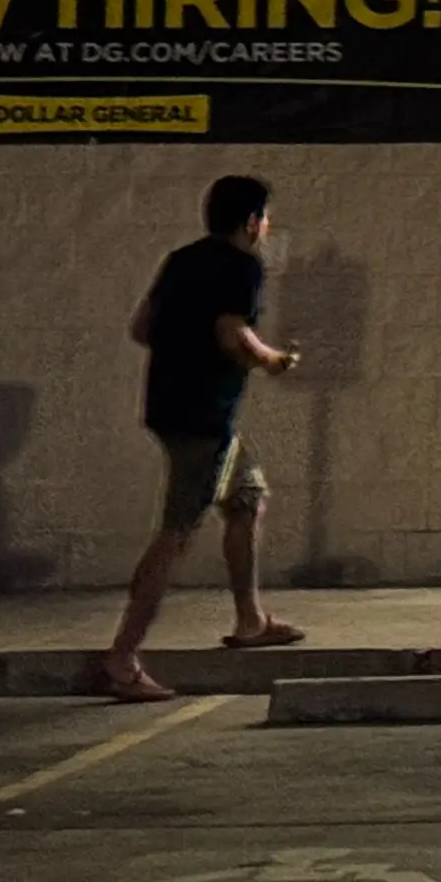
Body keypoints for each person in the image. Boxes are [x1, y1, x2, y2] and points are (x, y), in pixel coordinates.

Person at [102, 175, 305, 700]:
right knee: (177, 533)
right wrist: (273, 360)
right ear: (251, 221)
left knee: (247, 498)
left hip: (172, 406)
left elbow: (142, 327)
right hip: (204, 416)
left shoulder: (181, 259)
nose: (268, 226)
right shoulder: (242, 267)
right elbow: (231, 333)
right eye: (266, 217)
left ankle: (250, 622)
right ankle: (123, 657)